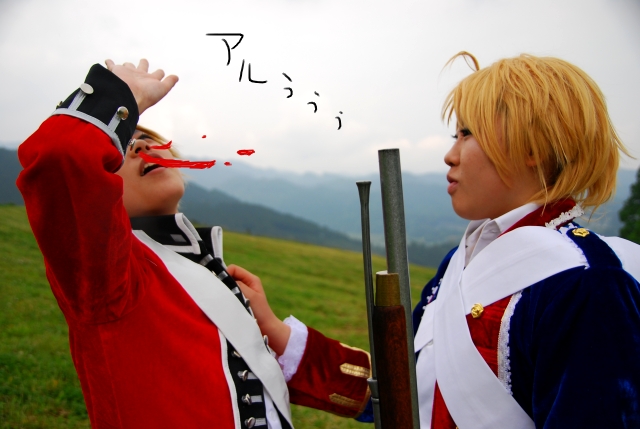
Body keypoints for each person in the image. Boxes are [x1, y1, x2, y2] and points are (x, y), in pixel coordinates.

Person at [230, 52, 640, 428]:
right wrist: (276, 332)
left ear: (531, 147)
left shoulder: (587, 284)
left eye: (466, 133)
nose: (450, 154)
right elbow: (404, 389)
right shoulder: (460, 260)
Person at [16, 59, 371, 429]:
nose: (142, 146)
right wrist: (118, 97)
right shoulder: (107, 274)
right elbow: (61, 158)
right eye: (123, 144)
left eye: (148, 138)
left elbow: (384, 394)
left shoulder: (204, 268)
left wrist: (270, 331)